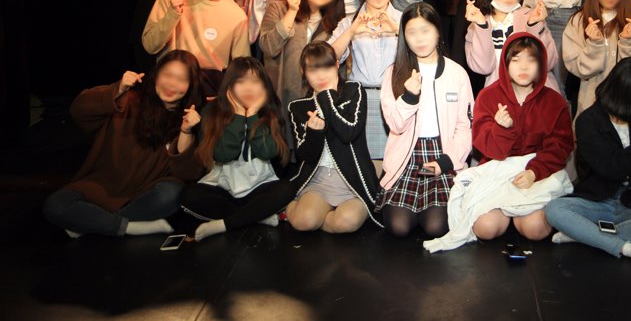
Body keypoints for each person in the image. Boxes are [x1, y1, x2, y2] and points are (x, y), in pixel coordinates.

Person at [43, 51, 204, 238]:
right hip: (101, 186)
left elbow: (186, 174)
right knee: (55, 205)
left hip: (144, 193)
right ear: (156, 75)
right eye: (167, 75)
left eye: (181, 79)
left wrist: (186, 132)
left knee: (172, 194)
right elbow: (78, 110)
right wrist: (118, 89)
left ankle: (93, 223)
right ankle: (128, 226)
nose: (172, 84)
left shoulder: (190, 119)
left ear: (190, 85)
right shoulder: (129, 100)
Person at [545, 58, 631, 266]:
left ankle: (586, 235)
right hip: (597, 200)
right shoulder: (588, 121)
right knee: (555, 210)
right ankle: (624, 246)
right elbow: (612, 167)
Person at [377, 3, 473, 238]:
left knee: (436, 227)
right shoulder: (394, 72)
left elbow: (466, 127)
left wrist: (446, 161)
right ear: (404, 36)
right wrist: (409, 97)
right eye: (411, 32)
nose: (419, 39)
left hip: (443, 154)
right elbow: (395, 125)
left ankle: (429, 208)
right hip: (407, 156)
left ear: (438, 31)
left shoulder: (457, 73)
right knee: (398, 227)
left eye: (425, 30)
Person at [470, 33, 575, 241]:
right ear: (505, 64)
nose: (524, 67)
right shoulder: (488, 96)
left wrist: (534, 172)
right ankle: (506, 214)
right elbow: (485, 148)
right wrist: (501, 129)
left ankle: (518, 215)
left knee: (535, 229)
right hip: (498, 173)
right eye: (516, 60)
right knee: (486, 228)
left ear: (541, 65)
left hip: (536, 176)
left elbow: (560, 146)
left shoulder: (554, 101)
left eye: (531, 60)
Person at [179, 57, 296, 241]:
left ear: (264, 86)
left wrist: (253, 114)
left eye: (255, 81)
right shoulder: (212, 111)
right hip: (222, 186)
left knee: (286, 189)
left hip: (260, 185)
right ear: (230, 85)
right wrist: (239, 115)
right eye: (240, 81)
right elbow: (224, 155)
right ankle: (256, 216)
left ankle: (225, 224)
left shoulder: (269, 112)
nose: (248, 88)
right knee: (189, 196)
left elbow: (267, 152)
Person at [284, 42, 382, 233]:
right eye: (313, 69)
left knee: (346, 222)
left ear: (337, 65)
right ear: (303, 71)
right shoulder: (299, 107)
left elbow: (349, 133)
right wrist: (314, 133)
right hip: (318, 179)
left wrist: (326, 97)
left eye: (327, 67)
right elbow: (306, 156)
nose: (321, 75)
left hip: (353, 178)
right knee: (304, 222)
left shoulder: (354, 90)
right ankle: (297, 209)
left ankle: (321, 216)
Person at [141, 0, 249, 96]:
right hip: (168, 83)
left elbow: (242, 69)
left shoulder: (237, 16)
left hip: (209, 89)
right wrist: (173, 13)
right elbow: (150, 46)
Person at [328, 0, 401, 171]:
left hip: (395, 100)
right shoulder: (348, 22)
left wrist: (397, 30)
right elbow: (327, 59)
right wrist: (351, 32)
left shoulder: (404, 20)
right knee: (362, 165)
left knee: (393, 166)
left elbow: (424, 54)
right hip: (359, 100)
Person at [259, 0, 346, 121]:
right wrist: (292, 11)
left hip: (317, 110)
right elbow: (269, 47)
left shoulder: (335, 26)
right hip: (278, 104)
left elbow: (339, 71)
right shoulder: (278, 9)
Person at [464, 0, 559, 92]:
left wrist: (534, 25)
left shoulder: (531, 17)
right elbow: (483, 67)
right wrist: (482, 27)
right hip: (499, 95)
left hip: (536, 94)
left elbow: (548, 62)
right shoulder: (479, 24)